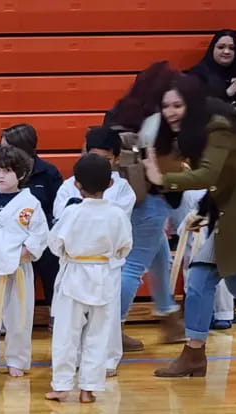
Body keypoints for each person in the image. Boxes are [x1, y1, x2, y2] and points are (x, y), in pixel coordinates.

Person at [142, 78, 236, 377]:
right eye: (166, 106)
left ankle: (194, 353)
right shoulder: (197, 132)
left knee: (229, 282)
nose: (170, 112)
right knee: (199, 279)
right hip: (229, 213)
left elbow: (209, 175)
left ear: (192, 104)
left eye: (178, 105)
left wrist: (162, 179)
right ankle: (194, 354)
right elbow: (224, 178)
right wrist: (203, 210)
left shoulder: (218, 127)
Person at [104, 62, 184, 353]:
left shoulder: (118, 113)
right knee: (134, 265)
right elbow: (170, 165)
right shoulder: (158, 122)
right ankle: (113, 329)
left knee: (159, 256)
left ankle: (169, 316)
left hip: (121, 194)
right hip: (150, 196)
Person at [46, 154, 133, 403]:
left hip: (74, 274)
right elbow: (124, 247)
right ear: (110, 184)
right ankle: (89, 388)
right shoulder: (117, 214)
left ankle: (62, 385)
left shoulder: (72, 213)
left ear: (76, 184)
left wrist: (71, 254)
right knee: (98, 334)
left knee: (66, 334)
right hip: (104, 275)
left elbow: (55, 244)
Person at [0, 145, 49, 378]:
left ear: (21, 174)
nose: (0, 176)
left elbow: (39, 235)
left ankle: (16, 360)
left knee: (18, 317)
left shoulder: (30, 204)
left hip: (18, 268)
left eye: (7, 171)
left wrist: (23, 253)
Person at [0, 124, 63, 317]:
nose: (2, 152)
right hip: (1, 236)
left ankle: (56, 312)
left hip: (37, 234)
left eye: (7, 147)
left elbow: (56, 211)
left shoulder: (48, 172)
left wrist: (32, 243)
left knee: (52, 255)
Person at [187, 30, 236, 106]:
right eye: (221, 47)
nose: (226, 51)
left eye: (231, 48)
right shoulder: (197, 74)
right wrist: (227, 94)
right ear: (212, 49)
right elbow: (196, 104)